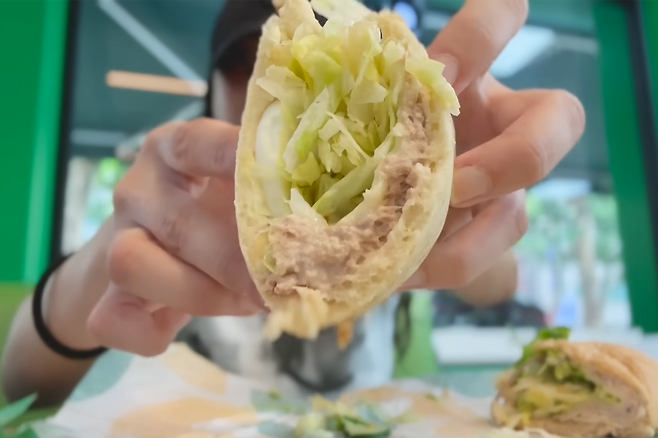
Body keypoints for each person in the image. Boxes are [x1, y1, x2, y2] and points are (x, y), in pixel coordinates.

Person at [1, 0, 584, 408]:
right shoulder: (171, 206)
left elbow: (498, 282)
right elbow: (18, 384)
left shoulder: (412, 221)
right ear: (211, 90)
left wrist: (466, 189)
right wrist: (96, 270)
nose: (268, 95)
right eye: (240, 66)